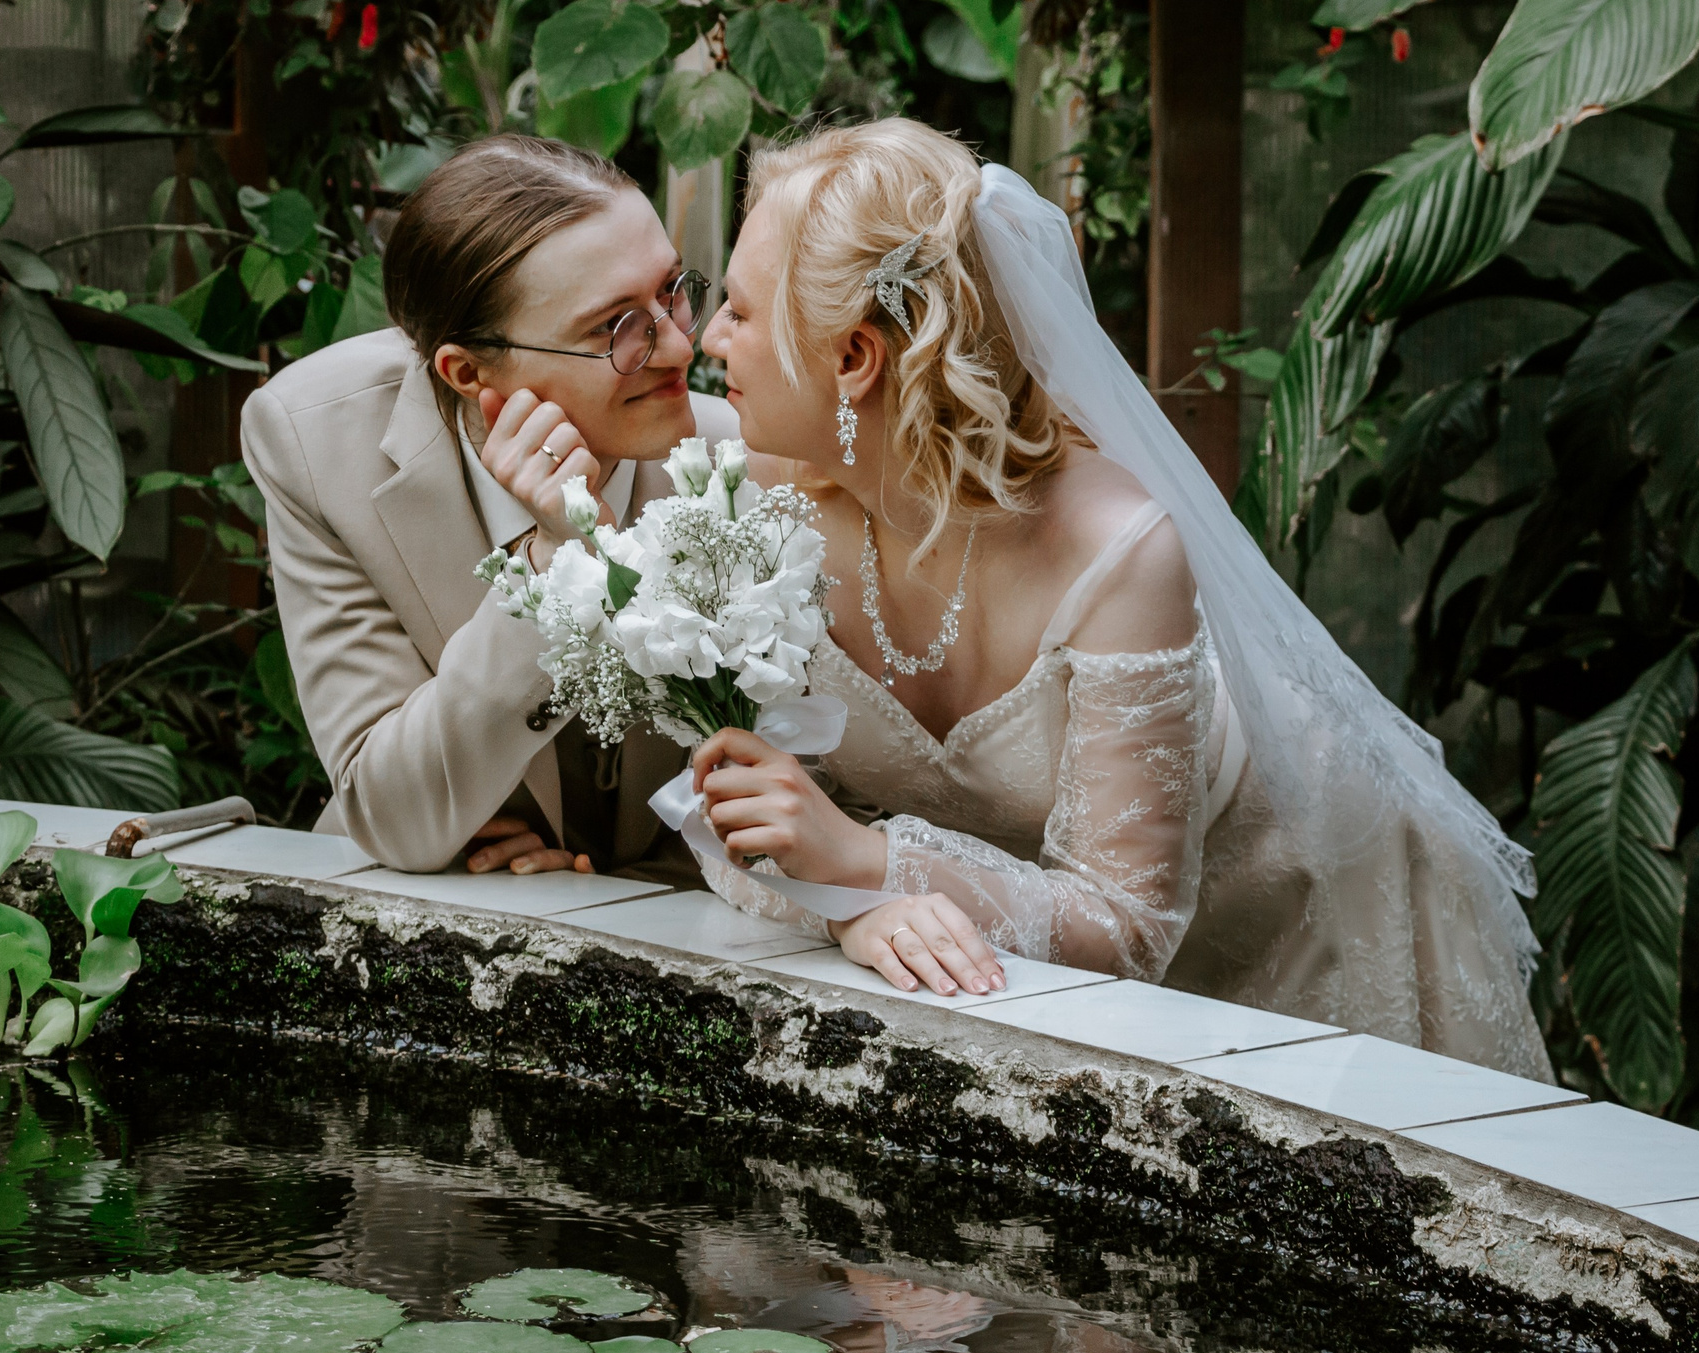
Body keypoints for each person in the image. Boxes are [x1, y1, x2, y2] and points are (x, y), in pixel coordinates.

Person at [681, 118, 1551, 1082]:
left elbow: (1128, 929)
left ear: (853, 358)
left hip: (1300, 906)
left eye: (740, 311)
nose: (707, 337)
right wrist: (860, 903)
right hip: (1040, 955)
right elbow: (736, 823)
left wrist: (868, 862)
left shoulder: (1119, 550)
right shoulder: (766, 494)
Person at [242, 135, 737, 878]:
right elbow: (393, 818)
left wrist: (604, 877)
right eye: (615, 328)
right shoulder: (314, 440)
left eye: (672, 291)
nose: (676, 347)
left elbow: (788, 787)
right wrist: (550, 565)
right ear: (467, 370)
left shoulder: (734, 458)